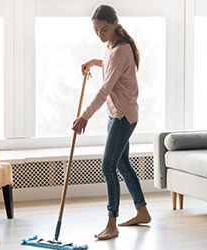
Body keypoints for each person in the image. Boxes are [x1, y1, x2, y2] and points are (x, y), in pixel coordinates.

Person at [72, 4, 151, 240]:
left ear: (115, 24)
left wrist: (84, 115)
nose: (99, 34)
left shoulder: (121, 49)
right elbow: (112, 65)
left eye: (103, 29)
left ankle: (111, 223)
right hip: (116, 114)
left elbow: (106, 87)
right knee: (122, 164)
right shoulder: (112, 46)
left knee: (108, 166)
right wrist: (95, 62)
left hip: (123, 117)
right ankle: (142, 211)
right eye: (96, 30)